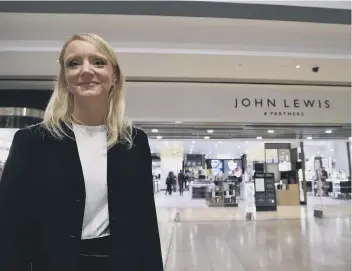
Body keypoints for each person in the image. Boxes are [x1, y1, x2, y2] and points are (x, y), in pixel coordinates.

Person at [0, 33, 163, 271]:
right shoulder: (32, 141)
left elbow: (145, 223)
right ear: (65, 78)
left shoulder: (134, 142)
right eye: (74, 63)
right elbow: (8, 225)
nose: (86, 70)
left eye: (98, 62)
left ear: (114, 76)